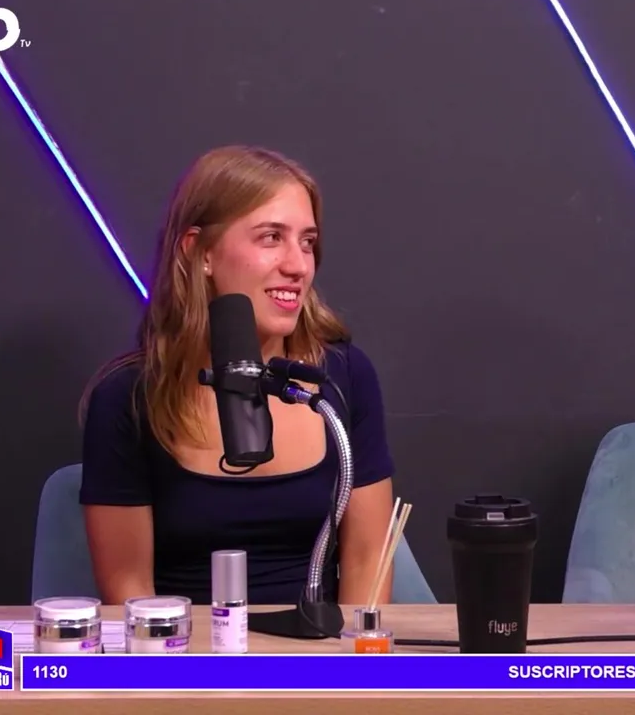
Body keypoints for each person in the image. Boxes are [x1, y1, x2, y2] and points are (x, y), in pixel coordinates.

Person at [78, 145, 396, 606]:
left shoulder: (342, 379)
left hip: (321, 648)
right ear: (200, 252)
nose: (298, 265)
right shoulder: (128, 397)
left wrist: (347, 652)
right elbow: (129, 590)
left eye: (307, 242)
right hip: (184, 648)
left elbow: (368, 561)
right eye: (271, 237)